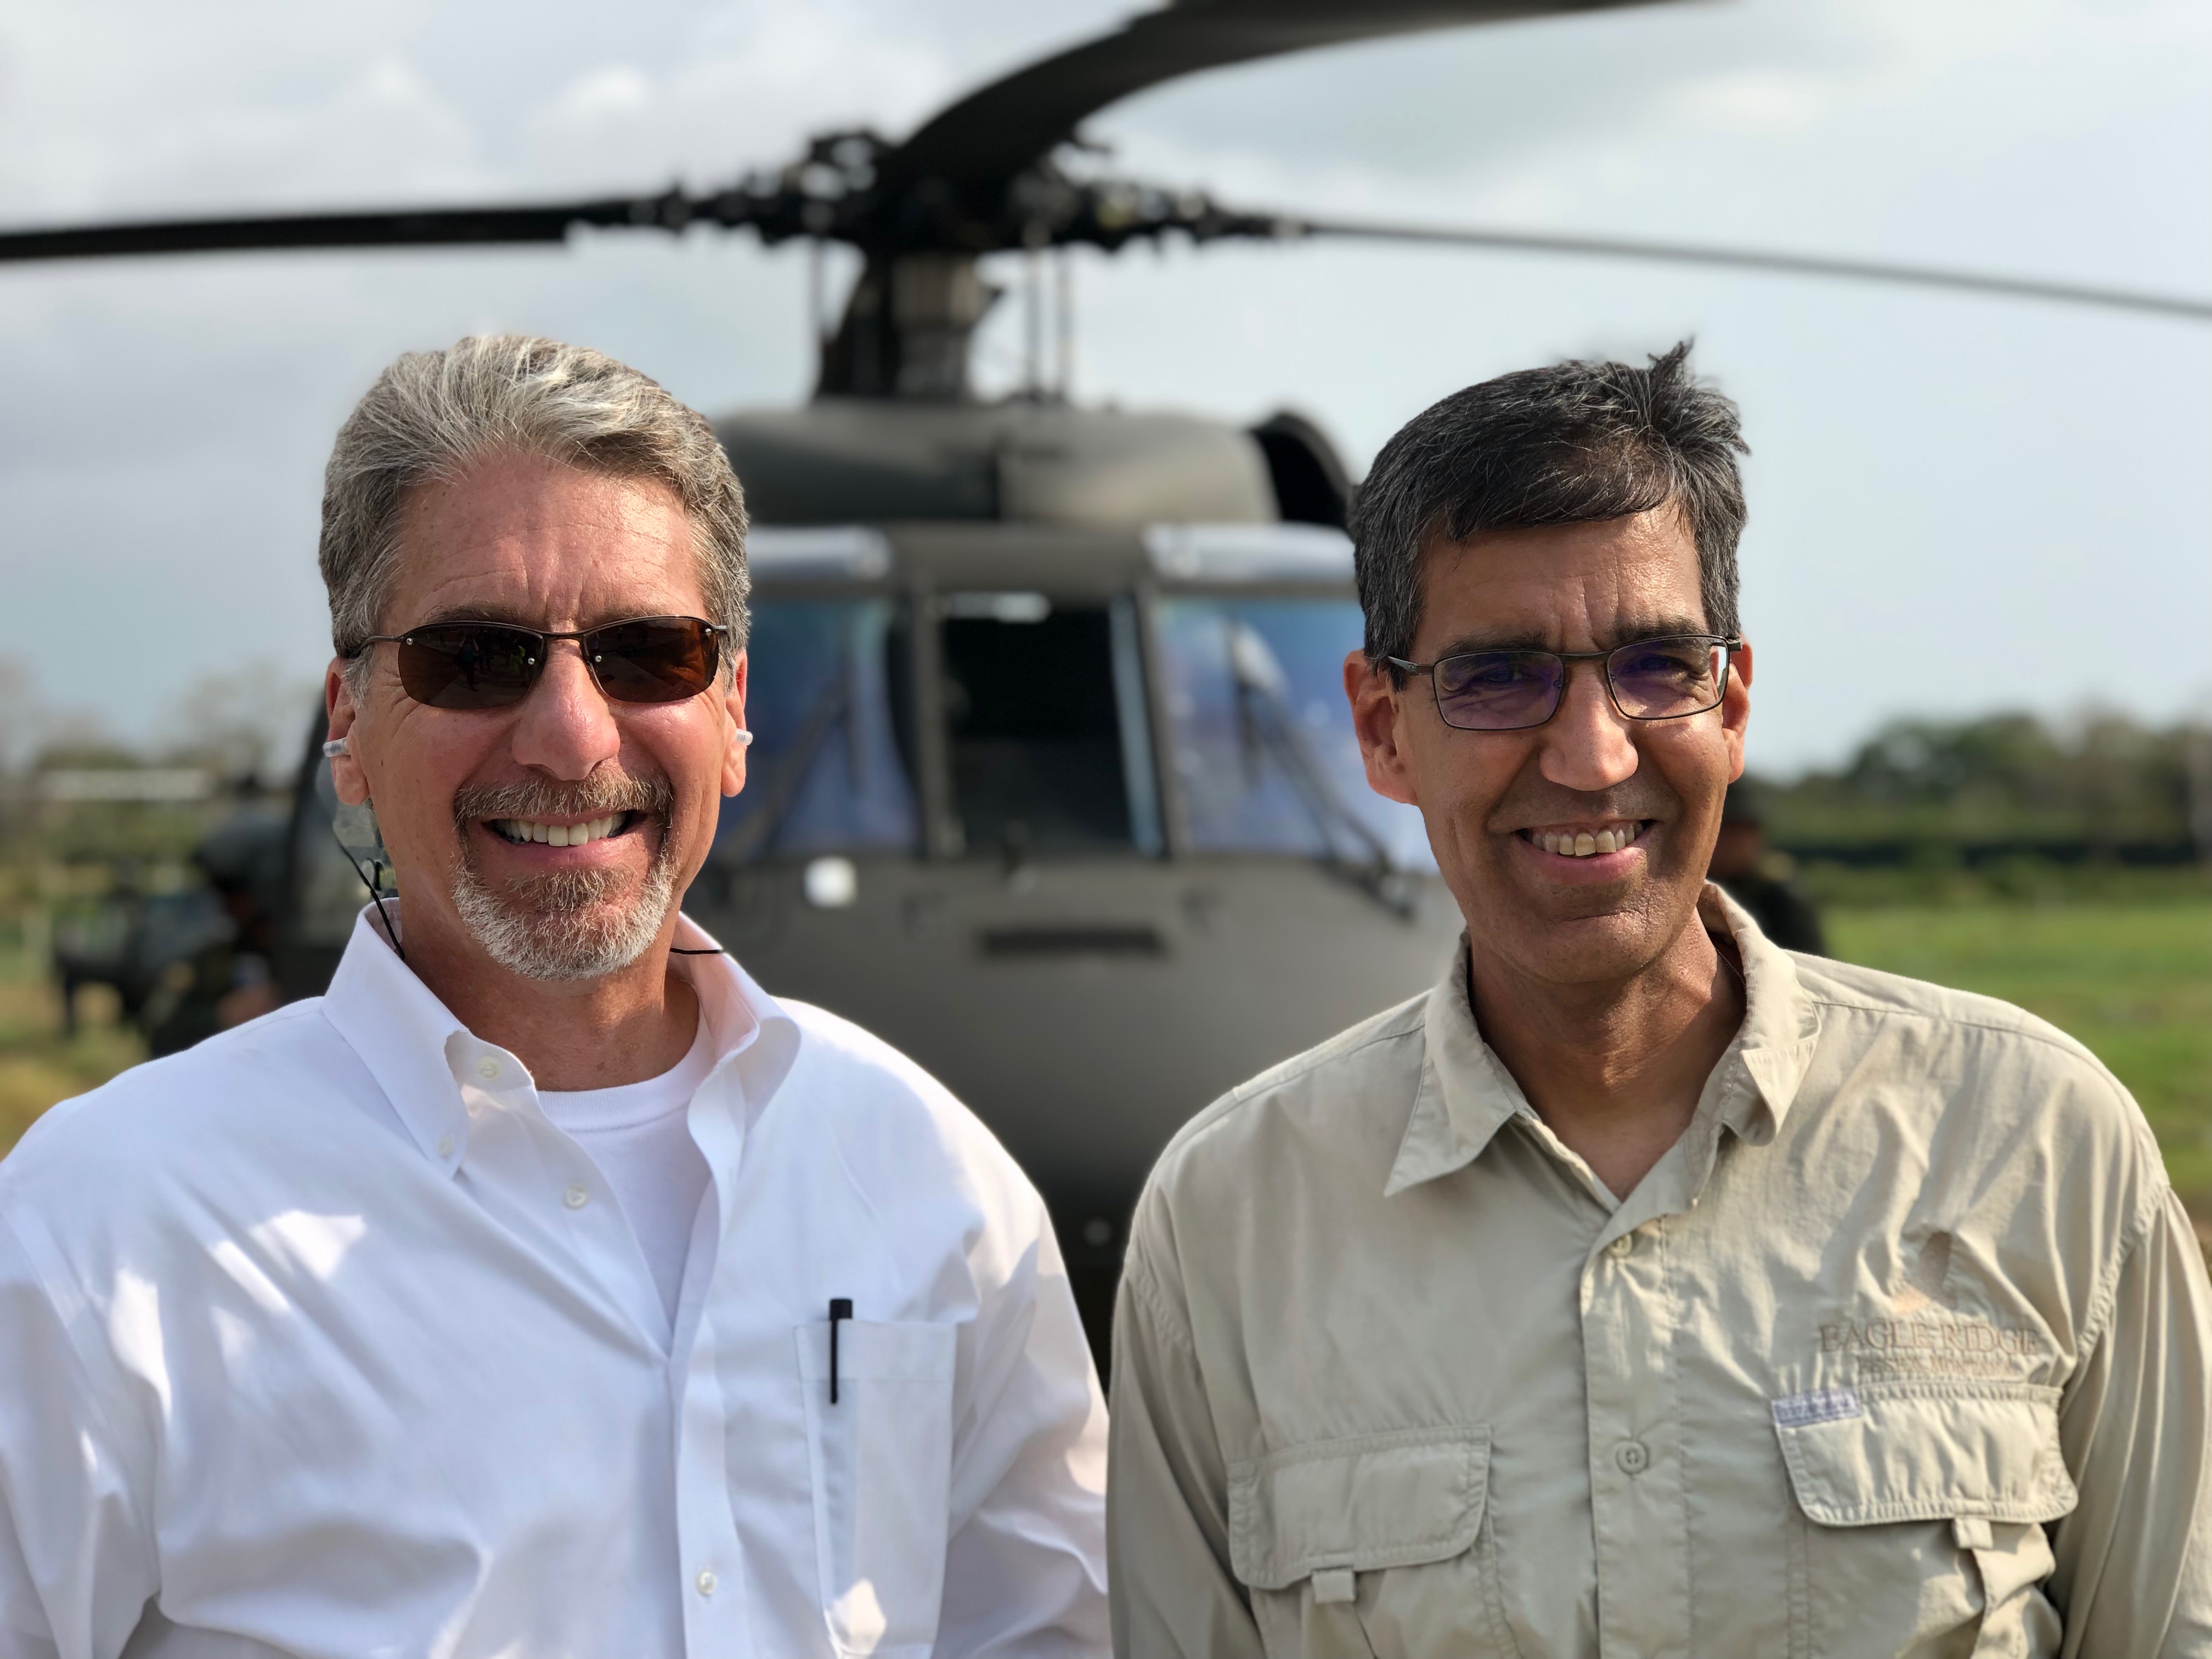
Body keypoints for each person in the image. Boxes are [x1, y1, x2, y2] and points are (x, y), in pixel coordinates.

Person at [0, 336, 1108, 1658]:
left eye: (651, 655)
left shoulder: (926, 1171)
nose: (576, 735)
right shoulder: (100, 1230)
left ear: (737, 711)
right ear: (346, 723)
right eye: (477, 658)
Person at [1107, 345, 2211, 1657]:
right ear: (1382, 728)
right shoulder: (1234, 1218)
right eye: (1497, 676)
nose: (1590, 755)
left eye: (1655, 666)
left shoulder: (2035, 1138)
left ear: (1732, 703)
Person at [1707, 778, 1825, 953]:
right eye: (1721, 831)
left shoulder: (1779, 898)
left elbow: (1809, 964)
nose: (1729, 844)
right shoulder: (1694, 890)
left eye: (1739, 832)